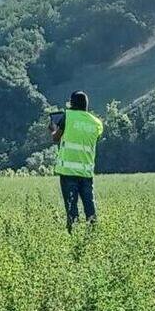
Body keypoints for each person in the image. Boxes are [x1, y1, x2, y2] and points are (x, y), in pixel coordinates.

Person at [51, 91, 103, 233]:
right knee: (89, 205)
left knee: (71, 207)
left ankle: (73, 234)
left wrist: (53, 129)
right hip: (86, 172)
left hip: (68, 171)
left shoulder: (68, 116)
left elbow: (56, 138)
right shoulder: (97, 123)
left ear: (72, 104)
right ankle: (93, 234)